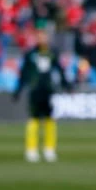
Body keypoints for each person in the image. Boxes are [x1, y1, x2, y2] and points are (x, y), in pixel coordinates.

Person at [14, 25, 72, 163]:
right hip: (35, 90)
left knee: (49, 119)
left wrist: (66, 85)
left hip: (48, 90)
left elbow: (60, 70)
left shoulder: (52, 53)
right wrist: (18, 90)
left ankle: (49, 149)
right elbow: (24, 74)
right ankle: (31, 150)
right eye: (39, 36)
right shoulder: (30, 54)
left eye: (44, 36)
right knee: (33, 119)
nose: (42, 39)